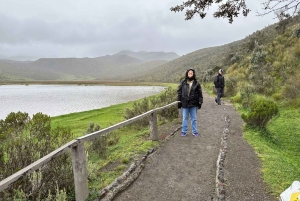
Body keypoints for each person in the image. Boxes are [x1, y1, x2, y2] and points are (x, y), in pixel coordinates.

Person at [177, 68, 203, 137]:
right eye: (189, 73)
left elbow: (200, 93)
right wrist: (179, 101)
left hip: (194, 103)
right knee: (185, 118)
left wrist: (200, 102)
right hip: (185, 103)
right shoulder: (183, 82)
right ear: (187, 74)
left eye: (191, 73)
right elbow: (179, 91)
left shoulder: (197, 83)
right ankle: (184, 131)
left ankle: (195, 131)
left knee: (193, 118)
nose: (190, 74)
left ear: (193, 74)